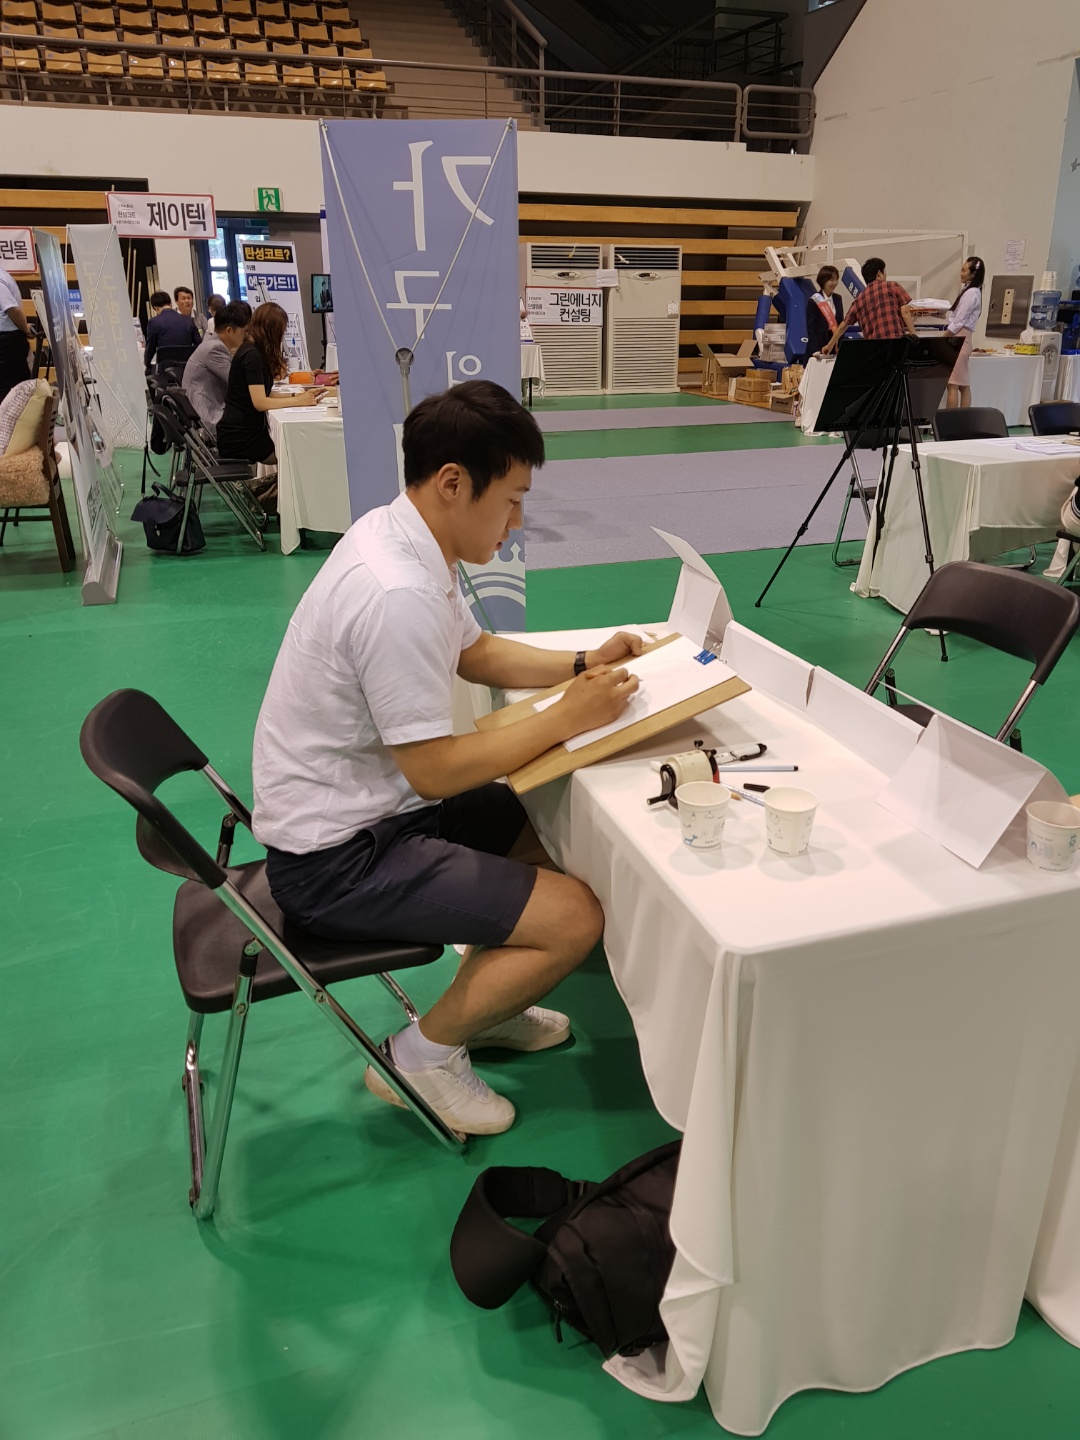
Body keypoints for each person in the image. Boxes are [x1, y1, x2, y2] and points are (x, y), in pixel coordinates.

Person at [252, 380, 643, 1135]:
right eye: (512, 500)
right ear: (453, 483)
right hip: (335, 859)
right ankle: (419, 1058)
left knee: (550, 828)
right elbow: (434, 770)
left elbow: (476, 651)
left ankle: (484, 1009)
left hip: (375, 813)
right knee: (574, 917)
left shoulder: (403, 537)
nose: (518, 522)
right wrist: (568, 714)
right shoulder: (396, 590)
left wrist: (581, 662)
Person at [216, 300, 321, 464]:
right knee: (295, 454)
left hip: (242, 431)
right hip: (241, 437)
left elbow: (265, 392)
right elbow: (260, 402)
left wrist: (298, 396)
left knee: (294, 451)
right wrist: (298, 401)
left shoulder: (251, 350)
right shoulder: (252, 356)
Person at [180, 300, 251, 430]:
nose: (245, 336)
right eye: (243, 332)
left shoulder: (212, 342)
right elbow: (238, 382)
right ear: (229, 330)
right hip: (208, 416)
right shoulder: (215, 348)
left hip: (203, 409)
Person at [821, 257, 917, 352]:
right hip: (895, 345)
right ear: (879, 274)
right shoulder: (892, 286)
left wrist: (829, 345)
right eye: (885, 273)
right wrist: (913, 335)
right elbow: (905, 312)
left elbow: (843, 325)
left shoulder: (858, 300)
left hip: (873, 351)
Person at [944, 256, 986, 409]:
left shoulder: (971, 293)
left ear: (973, 274)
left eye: (964, 270)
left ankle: (952, 419)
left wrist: (944, 337)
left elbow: (959, 321)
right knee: (962, 384)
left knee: (953, 384)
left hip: (959, 338)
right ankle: (963, 418)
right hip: (964, 338)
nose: (960, 273)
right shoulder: (971, 291)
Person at [143, 290, 201, 373]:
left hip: (165, 370)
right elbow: (199, 345)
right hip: (188, 368)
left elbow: (150, 348)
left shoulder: (153, 322)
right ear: (170, 304)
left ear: (155, 308)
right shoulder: (188, 320)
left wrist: (147, 364)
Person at [0, 264, 32, 403]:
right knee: (10, 388)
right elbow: (12, 310)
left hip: (9, 338)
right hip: (7, 341)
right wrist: (25, 329)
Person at [805, 265, 843, 358]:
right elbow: (811, 328)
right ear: (823, 280)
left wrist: (840, 345)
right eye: (832, 280)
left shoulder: (838, 298)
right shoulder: (814, 300)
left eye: (836, 279)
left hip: (834, 344)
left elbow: (841, 322)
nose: (835, 283)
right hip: (818, 345)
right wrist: (816, 350)